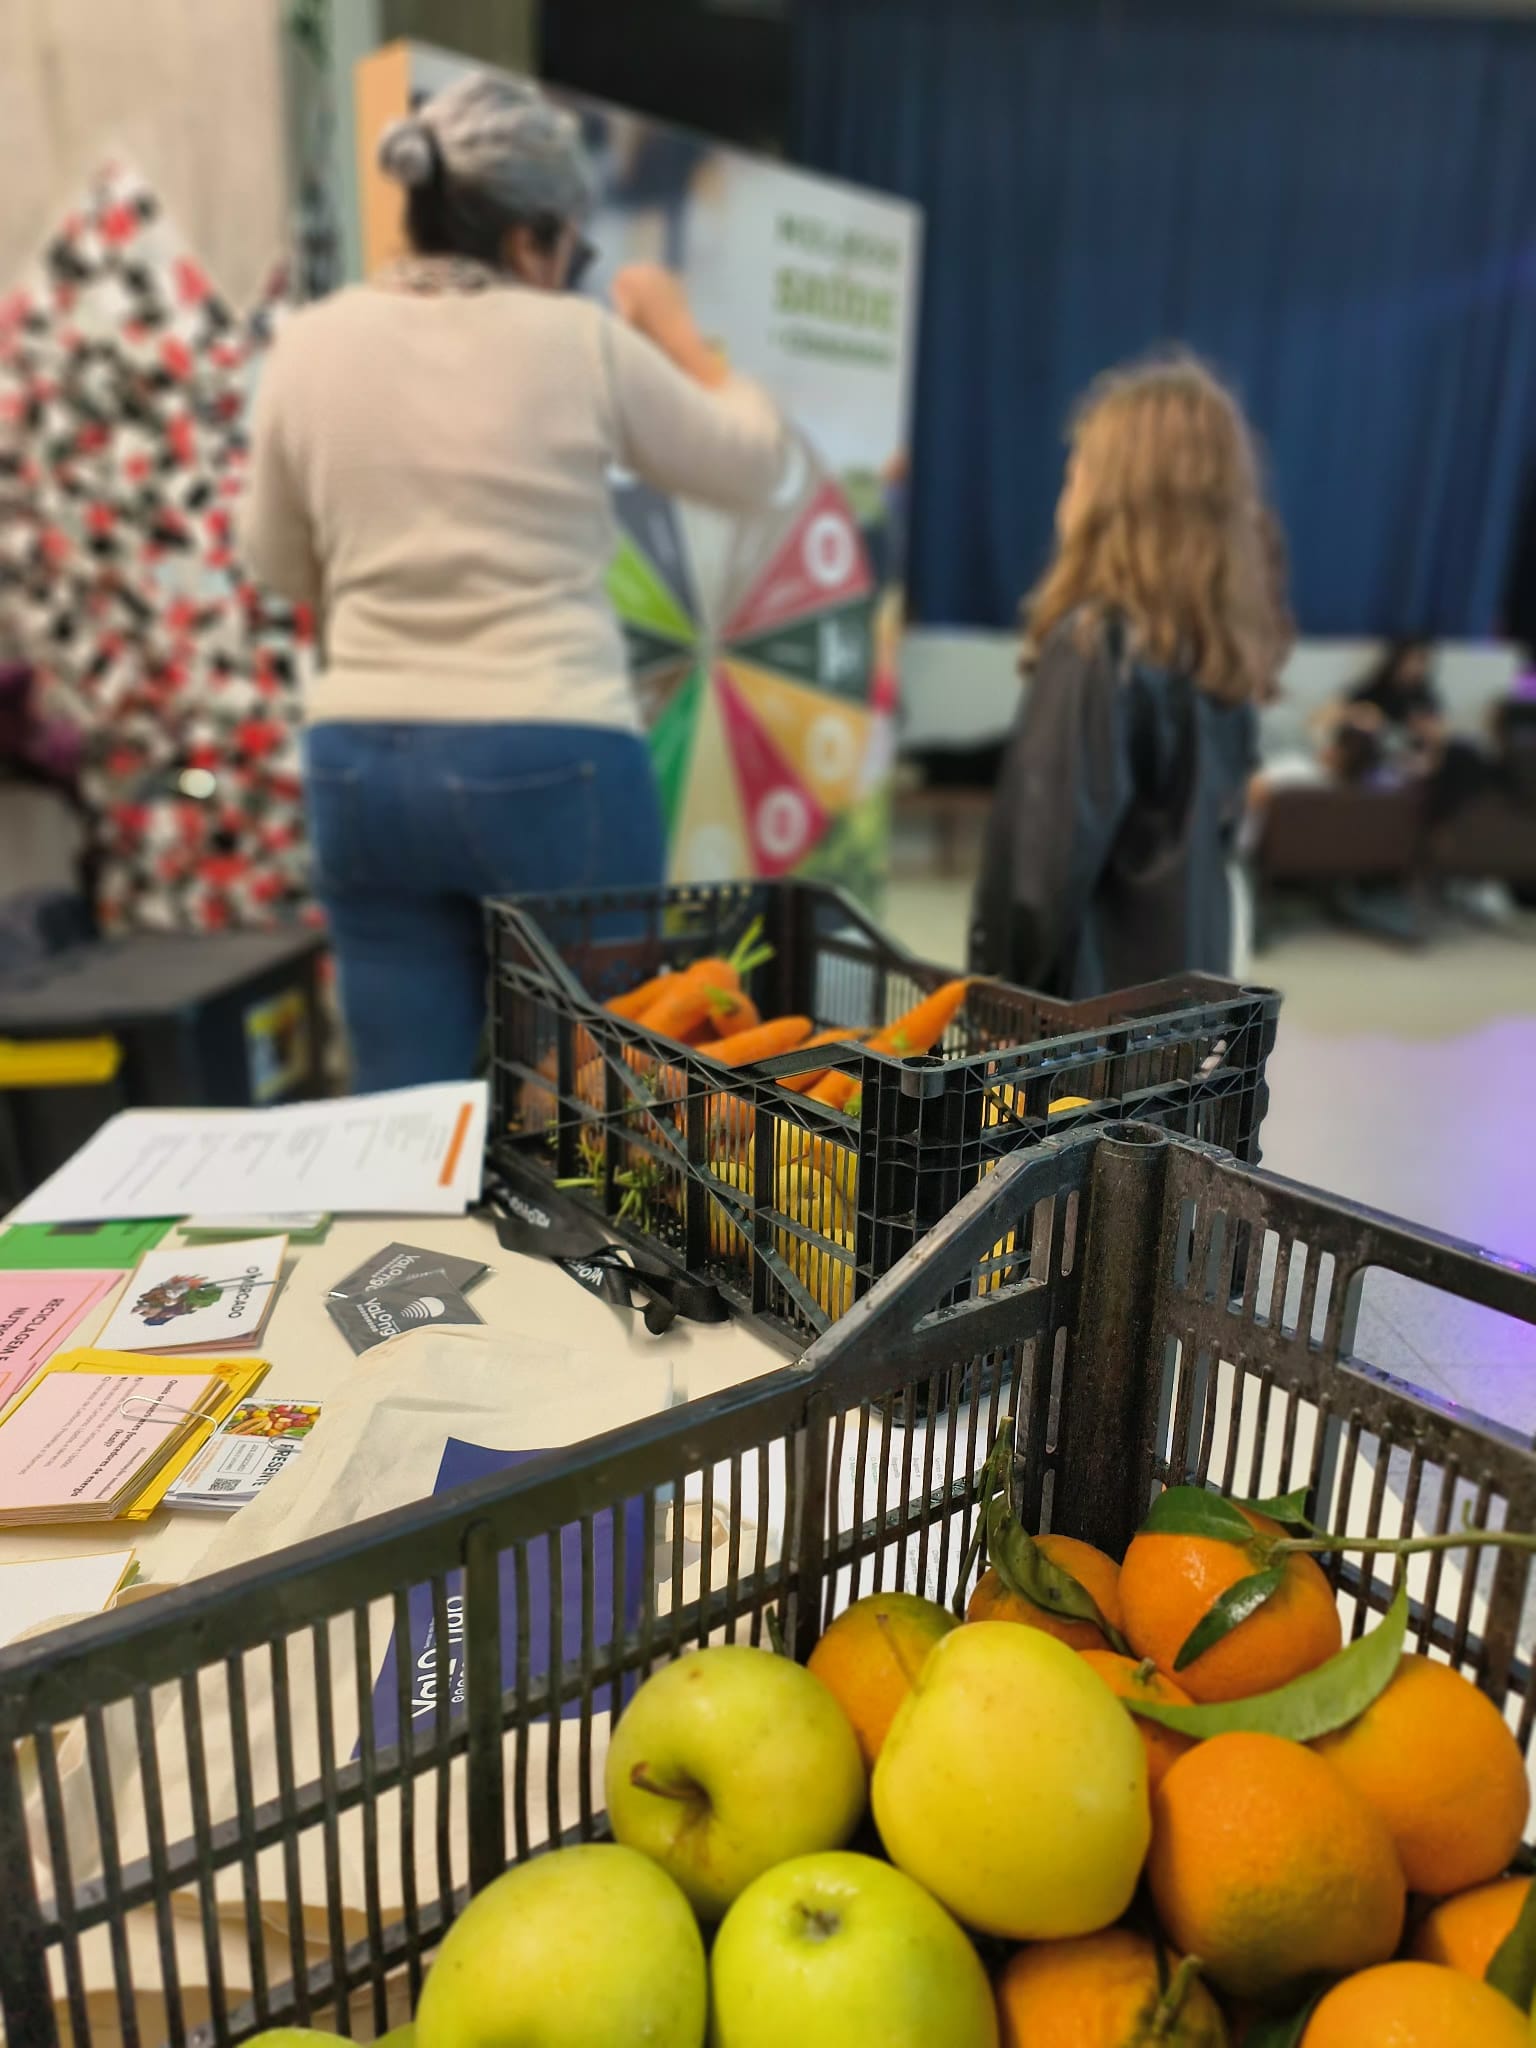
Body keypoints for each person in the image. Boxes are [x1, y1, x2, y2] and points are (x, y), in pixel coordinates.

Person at [241, 73, 786, 1091]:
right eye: (572, 252)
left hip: (363, 763)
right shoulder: (577, 342)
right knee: (596, 1100)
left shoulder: (307, 345)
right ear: (534, 237)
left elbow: (274, 560)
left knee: (401, 1110)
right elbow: (757, 466)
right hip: (553, 755)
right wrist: (679, 333)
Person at [970, 356, 1290, 998]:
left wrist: (998, 1000)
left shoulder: (1095, 647)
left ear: (1113, 499)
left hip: (1085, 1019)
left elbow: (1041, 876)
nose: (1064, 499)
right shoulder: (1218, 653)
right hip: (1186, 998)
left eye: (1074, 476)